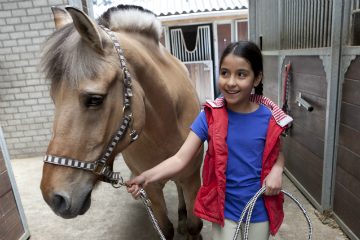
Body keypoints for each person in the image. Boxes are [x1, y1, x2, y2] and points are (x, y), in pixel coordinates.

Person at [126, 41, 293, 240]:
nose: (231, 82)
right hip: (225, 211)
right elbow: (180, 158)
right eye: (225, 73)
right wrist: (146, 177)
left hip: (259, 210)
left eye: (241, 74)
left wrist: (276, 171)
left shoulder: (270, 117)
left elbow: (278, 153)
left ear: (257, 78)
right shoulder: (208, 117)